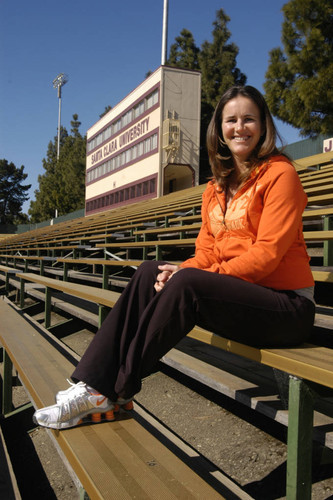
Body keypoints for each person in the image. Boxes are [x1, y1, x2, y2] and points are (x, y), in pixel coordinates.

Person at [33, 85, 315, 430]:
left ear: (263, 126)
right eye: (231, 120)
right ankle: (92, 381)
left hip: (286, 308)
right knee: (150, 270)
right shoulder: (215, 189)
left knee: (188, 283)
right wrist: (178, 271)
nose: (240, 127)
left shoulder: (280, 175)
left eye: (248, 119)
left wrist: (191, 276)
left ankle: (115, 391)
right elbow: (207, 252)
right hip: (237, 297)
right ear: (220, 131)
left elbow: (267, 255)